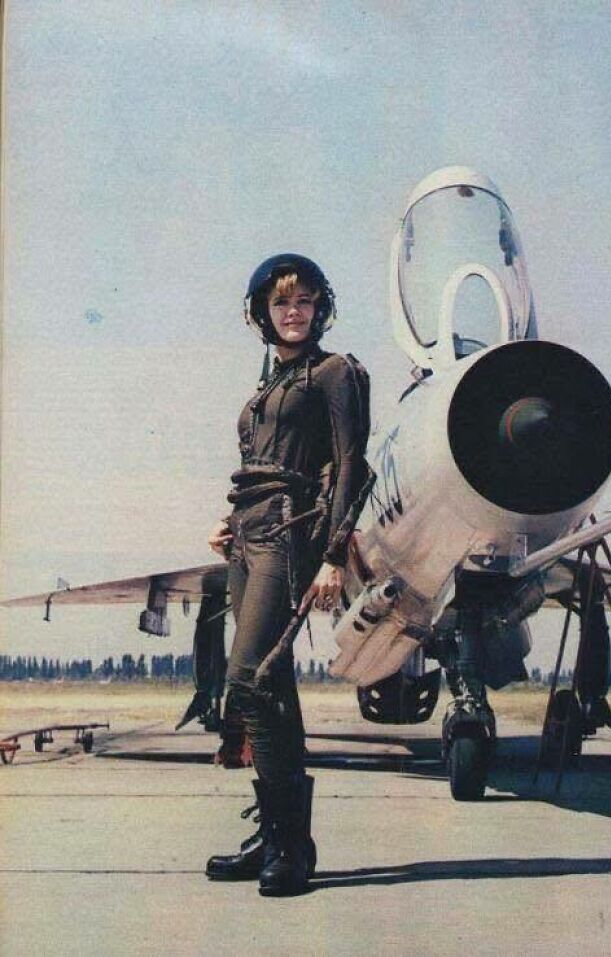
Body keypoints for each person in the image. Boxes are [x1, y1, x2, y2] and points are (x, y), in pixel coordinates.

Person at [205, 253, 371, 897]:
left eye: (303, 300)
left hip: (287, 531)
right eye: (281, 302)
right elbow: (257, 468)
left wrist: (334, 553)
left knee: (248, 679)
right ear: (261, 314)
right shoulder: (266, 390)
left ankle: (289, 848)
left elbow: (350, 465)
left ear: (320, 307)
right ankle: (279, 841)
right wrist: (227, 524)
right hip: (248, 532)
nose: (293, 310)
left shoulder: (336, 374)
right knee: (268, 689)